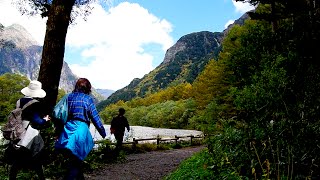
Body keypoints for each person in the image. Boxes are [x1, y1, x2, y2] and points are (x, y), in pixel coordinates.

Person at [55, 78, 106, 180]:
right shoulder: (88, 99)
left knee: (75, 161)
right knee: (76, 163)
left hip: (68, 129)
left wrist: (58, 132)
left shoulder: (68, 97)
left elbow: (61, 114)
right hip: (81, 131)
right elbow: (95, 117)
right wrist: (103, 132)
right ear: (88, 88)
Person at [9, 80, 51, 180]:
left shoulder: (19, 101)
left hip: (17, 130)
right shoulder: (36, 104)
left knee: (17, 160)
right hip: (29, 132)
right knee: (37, 156)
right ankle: (41, 178)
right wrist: (45, 119)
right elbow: (37, 121)